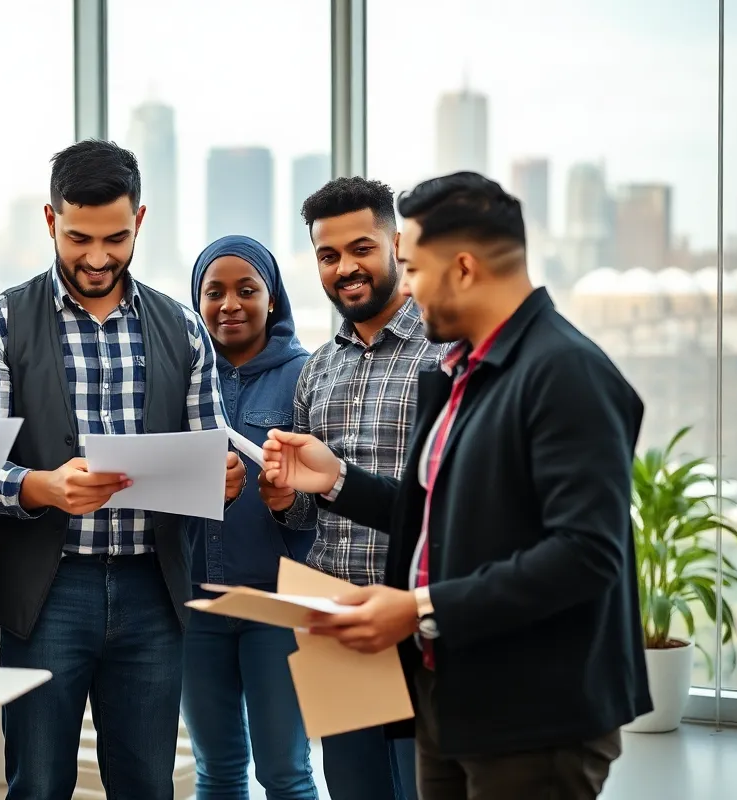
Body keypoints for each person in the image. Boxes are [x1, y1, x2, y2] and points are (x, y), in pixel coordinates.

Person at [263, 172, 650, 800]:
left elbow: (586, 555)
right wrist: (336, 481)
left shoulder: (566, 373)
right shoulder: (466, 370)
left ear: (463, 268)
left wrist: (417, 607)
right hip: (455, 685)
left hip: (532, 709)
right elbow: (437, 519)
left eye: (412, 267)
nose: (406, 285)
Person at [0, 139, 246, 800]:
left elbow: (208, 455)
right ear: (50, 219)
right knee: (39, 784)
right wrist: (41, 487)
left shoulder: (183, 326)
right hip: (48, 594)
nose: (96, 256)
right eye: (78, 236)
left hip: (154, 590)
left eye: (115, 238)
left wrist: (221, 482)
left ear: (140, 221)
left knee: (147, 785)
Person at [259, 177, 439, 800]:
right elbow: (309, 511)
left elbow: (450, 501)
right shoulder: (318, 368)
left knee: (423, 785)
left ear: (394, 243)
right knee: (353, 788)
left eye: (361, 248)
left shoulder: (443, 353)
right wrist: (284, 499)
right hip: (335, 617)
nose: (345, 268)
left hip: (416, 622)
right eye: (328, 256)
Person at [183, 235, 317, 800]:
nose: (230, 304)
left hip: (278, 606)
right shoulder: (182, 377)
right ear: (197, 300)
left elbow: (330, 495)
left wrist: (288, 498)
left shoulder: (306, 376)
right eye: (214, 292)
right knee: (215, 772)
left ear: (272, 297)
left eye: (247, 290)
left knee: (286, 773)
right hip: (196, 605)